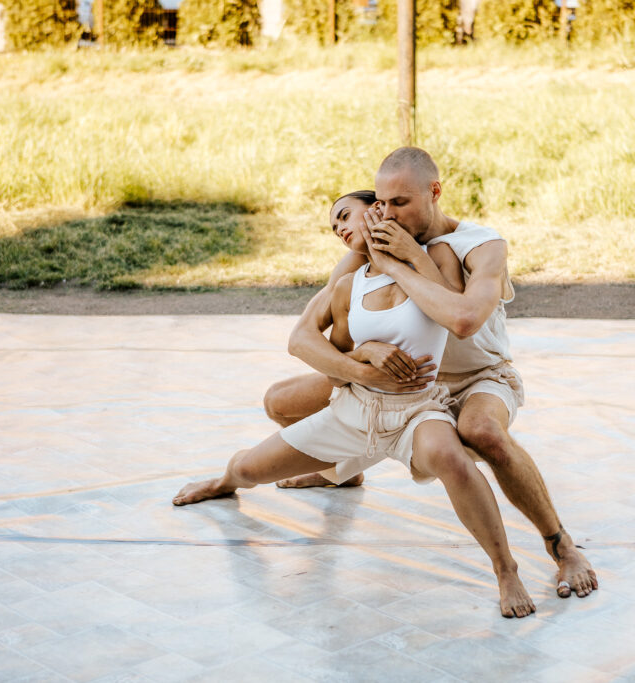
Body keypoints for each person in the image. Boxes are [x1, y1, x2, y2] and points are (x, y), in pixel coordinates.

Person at [174, 190, 537, 619]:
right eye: (334, 226)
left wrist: (401, 260)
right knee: (250, 467)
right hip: (355, 408)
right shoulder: (350, 279)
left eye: (346, 216)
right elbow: (324, 357)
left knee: (451, 459)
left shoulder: (436, 258)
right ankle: (229, 480)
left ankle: (506, 570)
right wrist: (364, 359)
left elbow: (456, 313)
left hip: (417, 408)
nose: (340, 229)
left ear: (379, 209)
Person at [265, 147, 598, 599]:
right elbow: (308, 333)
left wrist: (404, 261)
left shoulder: (481, 245)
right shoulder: (372, 246)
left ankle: (562, 546)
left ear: (435, 192)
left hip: (478, 378)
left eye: (401, 203)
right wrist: (361, 361)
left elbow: (463, 319)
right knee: (280, 402)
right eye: (382, 203)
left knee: (481, 430)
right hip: (402, 384)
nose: (388, 214)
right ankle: (341, 470)